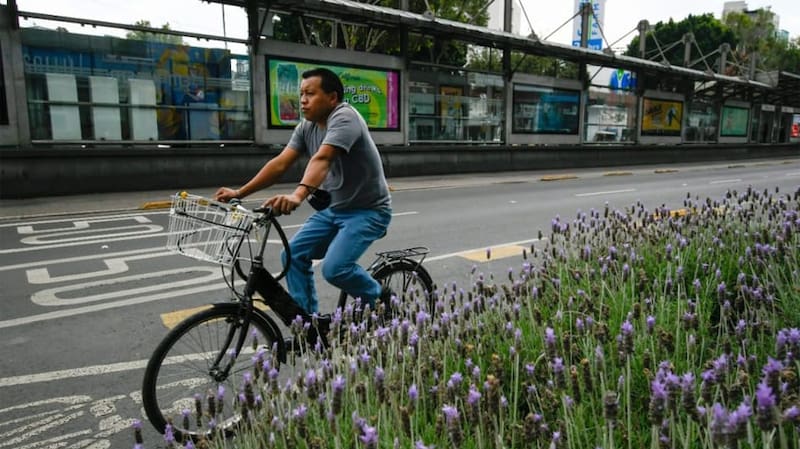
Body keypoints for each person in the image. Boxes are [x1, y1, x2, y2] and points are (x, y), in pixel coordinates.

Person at [215, 68, 392, 315]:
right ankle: (308, 326)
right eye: (301, 94)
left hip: (368, 211)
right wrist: (240, 193)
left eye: (310, 93)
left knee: (335, 269)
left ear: (332, 98)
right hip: (334, 209)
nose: (303, 100)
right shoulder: (306, 127)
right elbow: (280, 164)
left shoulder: (345, 118)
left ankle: (383, 298)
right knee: (292, 256)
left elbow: (323, 159)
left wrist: (297, 195)